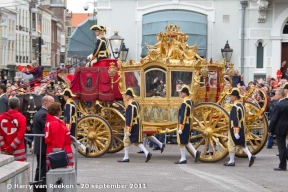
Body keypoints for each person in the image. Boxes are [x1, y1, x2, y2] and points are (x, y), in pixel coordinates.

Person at [118, 88, 152, 163]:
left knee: (126, 141)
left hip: (131, 125)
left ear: (129, 96)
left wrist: (128, 129)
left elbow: (129, 118)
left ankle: (126, 157)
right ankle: (147, 153)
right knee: (136, 142)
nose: (125, 97)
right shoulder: (136, 103)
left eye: (126, 95)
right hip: (136, 124)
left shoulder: (130, 105)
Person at [224, 88, 256, 167]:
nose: (230, 98)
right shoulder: (241, 105)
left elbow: (235, 119)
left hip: (235, 128)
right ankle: (250, 156)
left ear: (235, 97)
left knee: (231, 144)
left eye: (231, 96)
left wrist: (235, 131)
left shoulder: (235, 107)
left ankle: (232, 161)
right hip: (241, 127)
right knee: (240, 144)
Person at [32, 95, 54, 192]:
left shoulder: (39, 113)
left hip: (40, 145)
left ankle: (37, 187)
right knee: (42, 169)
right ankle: (40, 188)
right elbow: (46, 130)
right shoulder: (44, 114)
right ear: (46, 103)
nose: (53, 104)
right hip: (43, 145)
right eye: (52, 102)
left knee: (40, 168)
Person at [175, 85, 201, 164]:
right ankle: (195, 152)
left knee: (182, 142)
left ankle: (183, 158)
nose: (180, 94)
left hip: (184, 124)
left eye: (181, 93)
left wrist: (180, 127)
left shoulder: (184, 103)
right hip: (189, 123)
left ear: (184, 93)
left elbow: (183, 115)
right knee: (186, 141)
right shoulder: (191, 102)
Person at [45, 102, 74, 168]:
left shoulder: (51, 121)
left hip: (52, 152)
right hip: (60, 156)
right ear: (58, 111)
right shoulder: (56, 124)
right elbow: (58, 143)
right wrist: (59, 158)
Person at [268, 86, 288, 171]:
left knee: (281, 147)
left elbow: (274, 119)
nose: (275, 96)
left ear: (280, 95)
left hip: (280, 127)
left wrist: (270, 129)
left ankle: (282, 165)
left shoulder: (278, 105)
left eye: (276, 94)